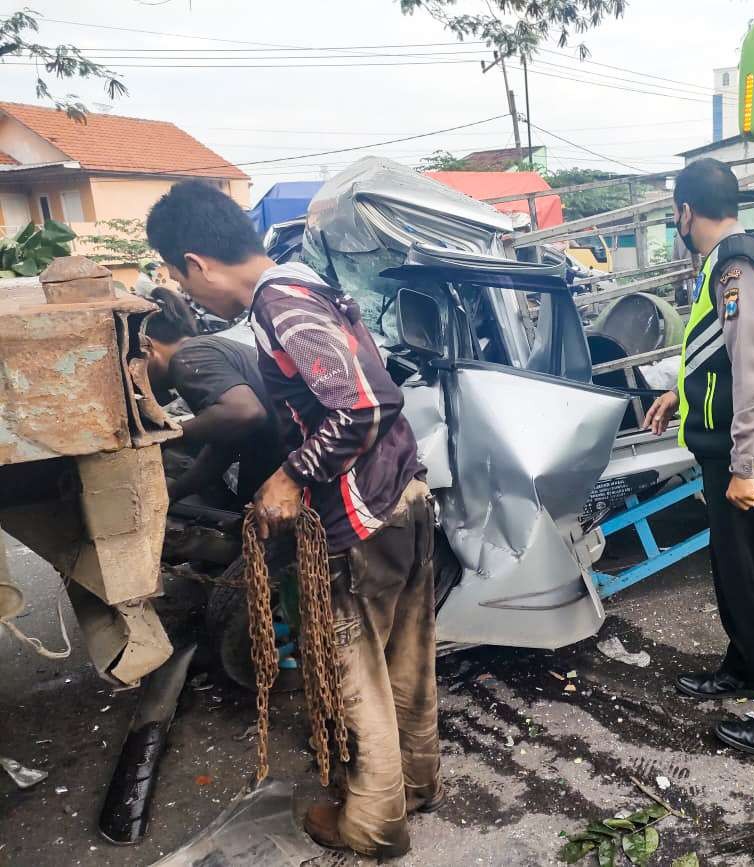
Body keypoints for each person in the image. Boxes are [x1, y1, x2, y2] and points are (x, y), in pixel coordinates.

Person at [146, 181, 441, 859]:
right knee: (407, 657)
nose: (195, 302)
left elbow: (362, 406)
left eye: (185, 281)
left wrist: (290, 475)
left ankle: (373, 823)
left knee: (349, 668)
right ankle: (416, 783)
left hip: (360, 511)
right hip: (405, 495)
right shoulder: (307, 281)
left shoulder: (278, 302)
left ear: (196, 263)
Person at [643, 158, 754, 757]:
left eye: (677, 215)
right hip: (733, 451)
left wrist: (744, 468)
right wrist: (678, 392)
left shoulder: (735, 269)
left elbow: (753, 375)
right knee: (731, 570)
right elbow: (720, 354)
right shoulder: (729, 264)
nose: (679, 225)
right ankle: (743, 668)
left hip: (749, 457)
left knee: (749, 583)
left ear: (686, 211)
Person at [143, 286, 284, 505]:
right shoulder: (208, 350)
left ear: (148, 349)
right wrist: (172, 494)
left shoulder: (187, 357)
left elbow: (245, 413)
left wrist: (164, 438)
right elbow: (223, 447)